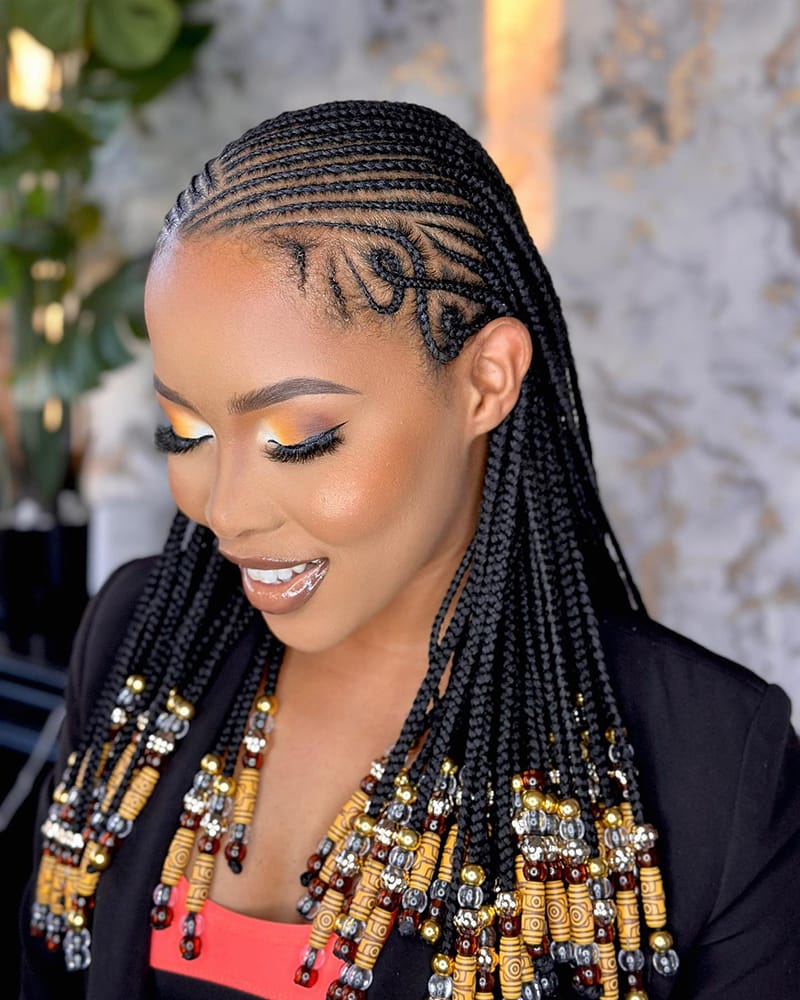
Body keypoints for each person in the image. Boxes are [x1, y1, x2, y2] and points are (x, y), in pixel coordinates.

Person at [19, 101, 800, 1000]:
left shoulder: (711, 764)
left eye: (300, 436)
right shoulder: (137, 642)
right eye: (185, 430)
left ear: (485, 381)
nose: (223, 509)